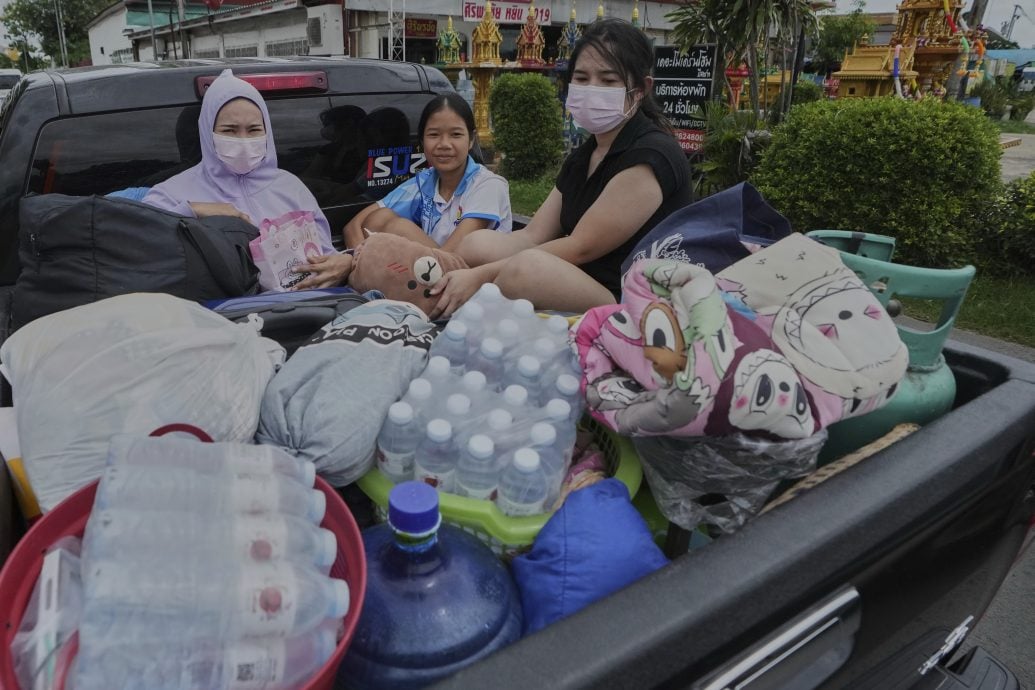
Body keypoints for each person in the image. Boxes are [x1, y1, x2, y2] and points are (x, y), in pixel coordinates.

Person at [430, 19, 693, 319]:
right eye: (581, 78)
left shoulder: (652, 155)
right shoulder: (588, 152)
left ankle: (458, 307)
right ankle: (440, 290)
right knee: (478, 243)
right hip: (580, 277)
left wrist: (479, 277)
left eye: (608, 81)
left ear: (640, 89)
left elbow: (580, 248)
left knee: (525, 270)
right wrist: (455, 257)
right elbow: (533, 235)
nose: (592, 89)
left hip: (627, 297)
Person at [142, 69, 352, 289]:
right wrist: (195, 210)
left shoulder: (291, 187)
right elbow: (139, 237)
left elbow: (327, 257)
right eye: (229, 130)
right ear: (207, 132)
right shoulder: (171, 192)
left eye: (253, 130)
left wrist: (345, 262)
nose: (243, 140)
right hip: (226, 318)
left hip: (308, 313)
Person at [343, 93, 512, 253]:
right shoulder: (423, 183)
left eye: (456, 134)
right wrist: (356, 261)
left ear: (471, 140)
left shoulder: (488, 185)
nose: (444, 144)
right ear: (422, 141)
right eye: (434, 135)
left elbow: (452, 255)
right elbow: (353, 227)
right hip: (431, 271)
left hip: (471, 276)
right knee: (379, 218)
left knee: (398, 228)